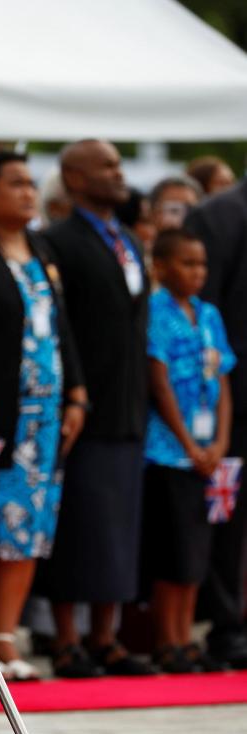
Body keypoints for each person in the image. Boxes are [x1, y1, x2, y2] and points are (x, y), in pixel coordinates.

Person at [0, 151, 87, 681]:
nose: (29, 192)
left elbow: (61, 328)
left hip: (43, 418)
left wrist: (76, 394)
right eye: (16, 183)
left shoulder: (41, 248)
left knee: (27, 528)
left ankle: (5, 641)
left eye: (32, 184)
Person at [39, 140, 156, 678]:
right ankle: (67, 640)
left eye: (118, 163)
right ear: (76, 179)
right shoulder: (58, 242)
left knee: (119, 525)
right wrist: (74, 393)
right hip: (83, 405)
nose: (118, 173)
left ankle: (106, 637)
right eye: (106, 166)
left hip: (130, 406)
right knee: (79, 524)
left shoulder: (128, 240)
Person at [143, 229, 235, 672]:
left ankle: (186, 640)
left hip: (208, 454)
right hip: (169, 452)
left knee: (199, 550)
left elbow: (223, 384)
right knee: (173, 550)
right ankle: (168, 640)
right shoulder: (155, 312)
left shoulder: (209, 315)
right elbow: (159, 384)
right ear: (161, 266)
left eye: (202, 265)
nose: (197, 273)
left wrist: (218, 442)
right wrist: (188, 444)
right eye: (187, 263)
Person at [185, 178, 247, 669]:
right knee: (231, 522)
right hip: (232, 398)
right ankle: (229, 629)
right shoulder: (219, 215)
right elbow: (209, 311)